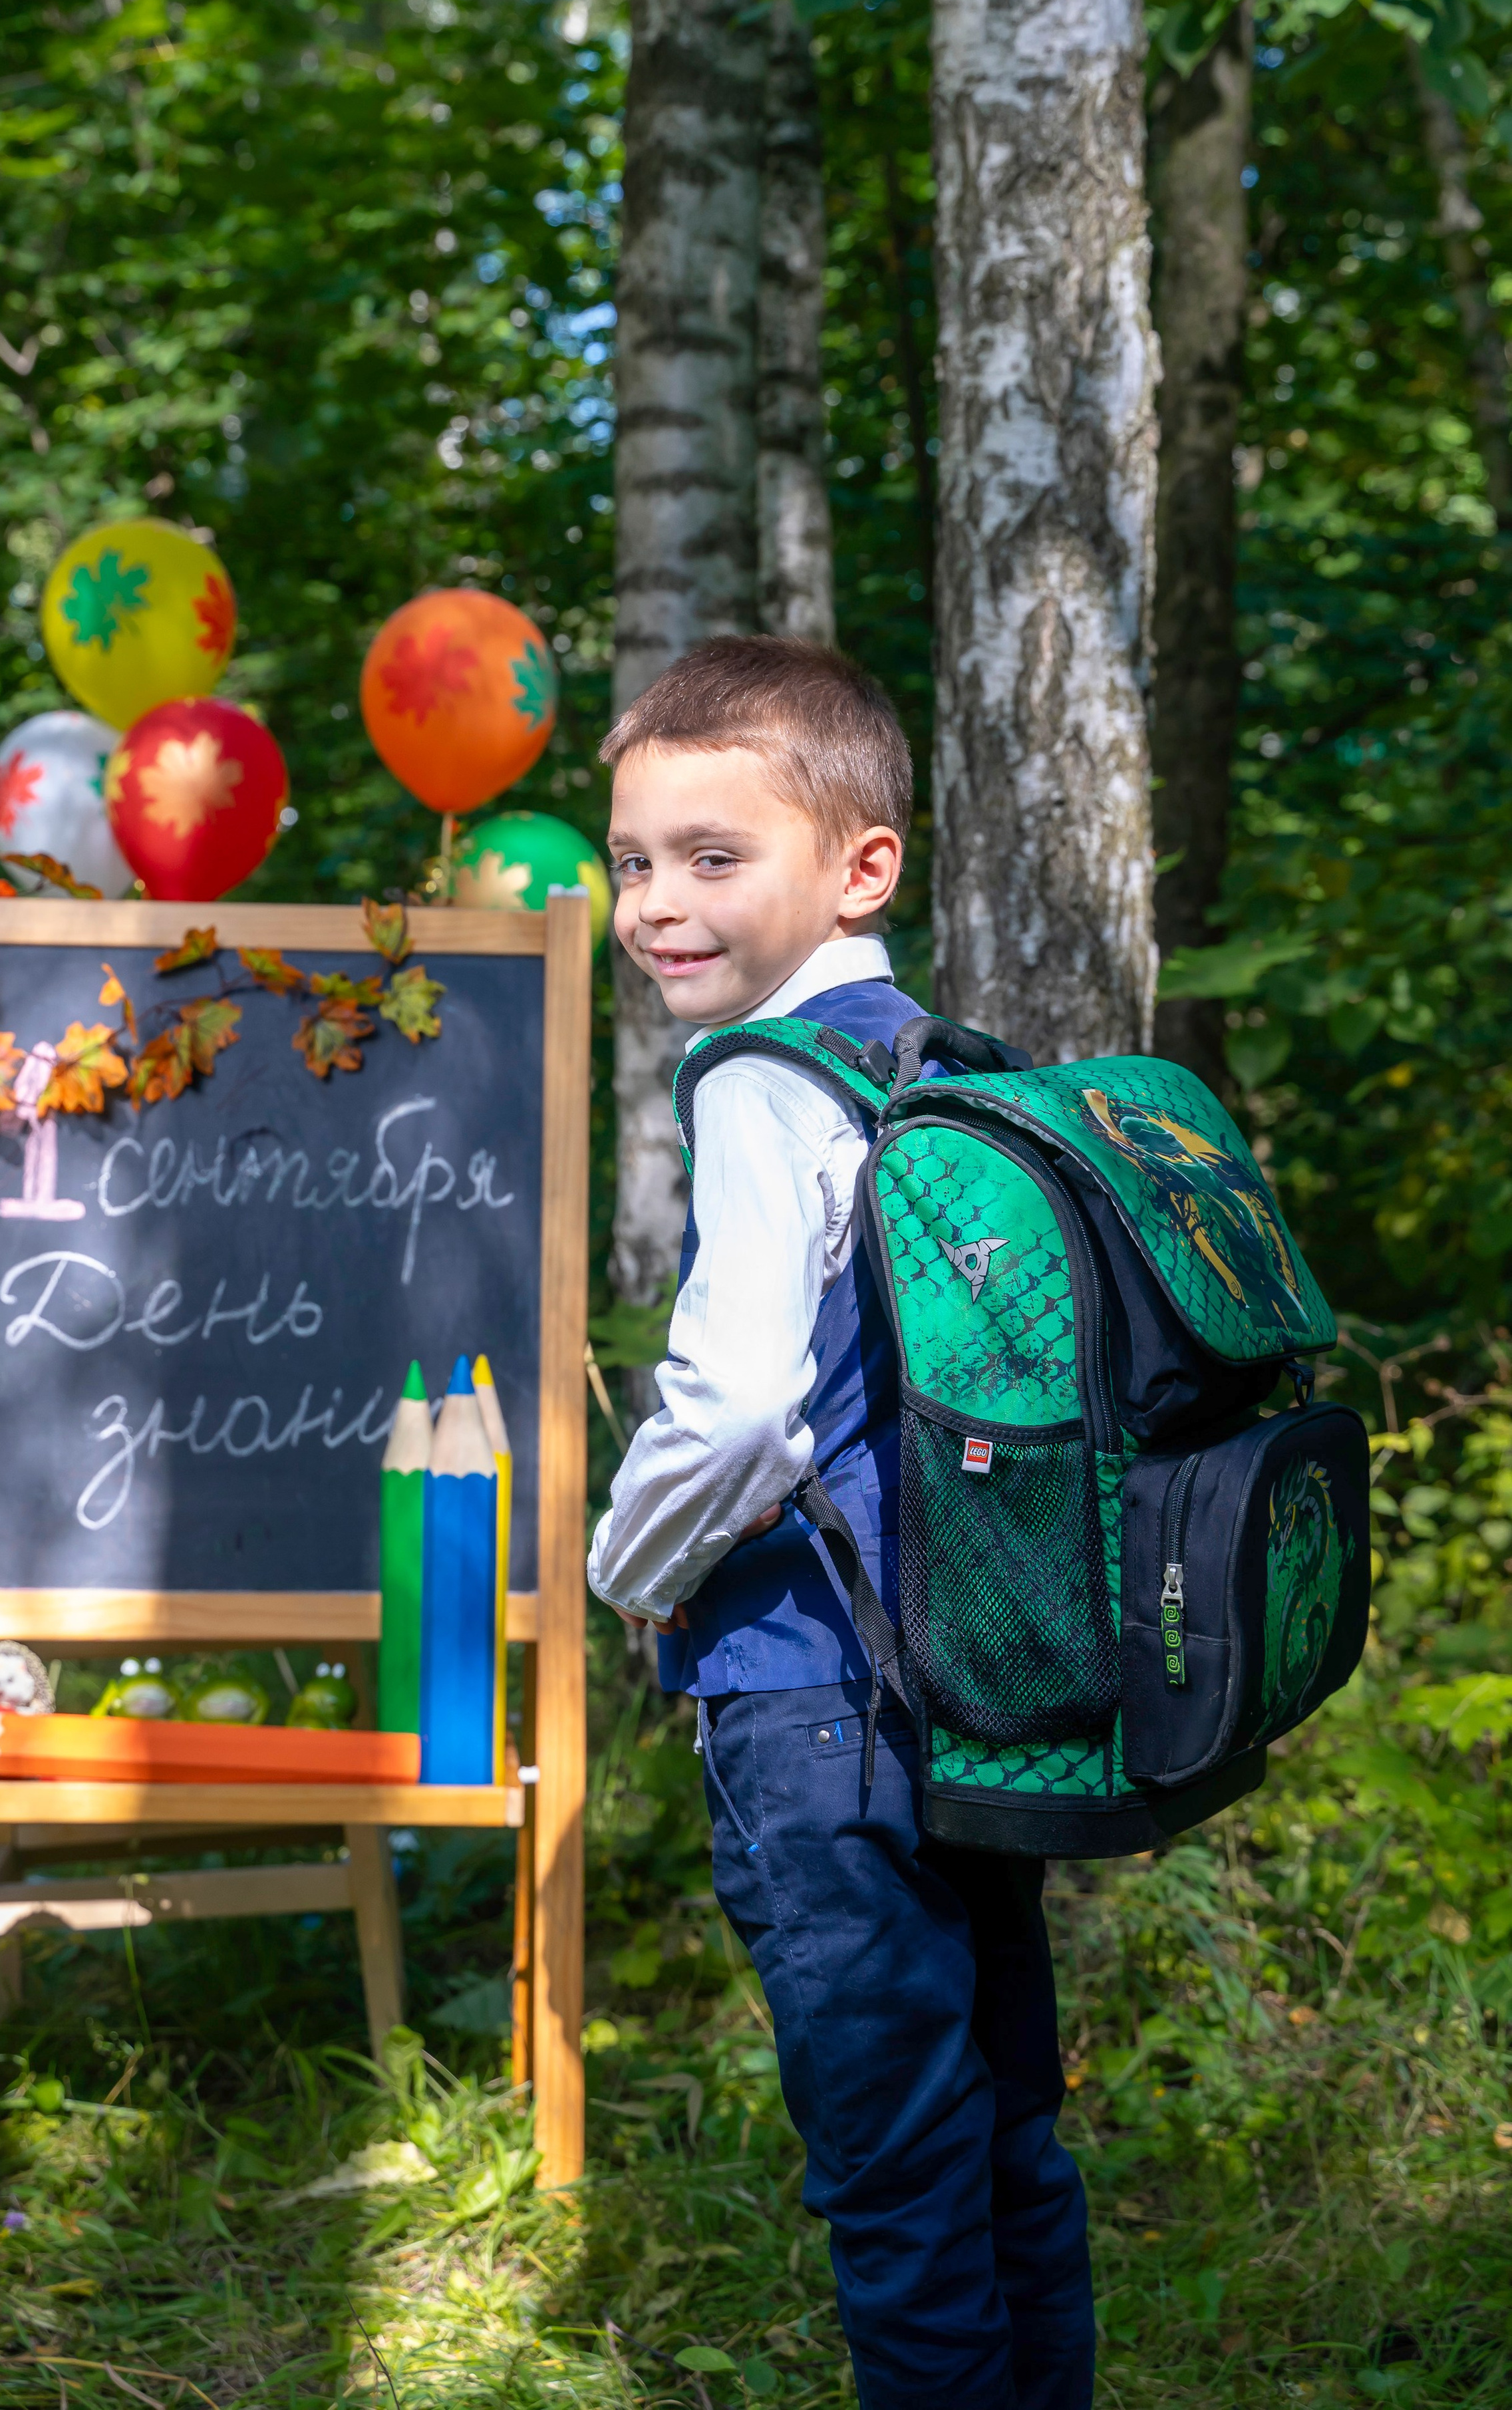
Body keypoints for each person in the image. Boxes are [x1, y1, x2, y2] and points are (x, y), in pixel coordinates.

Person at [587, 635, 1095, 2410]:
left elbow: (735, 1405)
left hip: (814, 1700)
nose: (657, 903)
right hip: (974, 1672)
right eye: (634, 860)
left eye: (713, 860)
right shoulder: (940, 1058)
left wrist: (625, 1570)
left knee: (894, 2176)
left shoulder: (754, 1077)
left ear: (861, 864)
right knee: (1007, 2134)